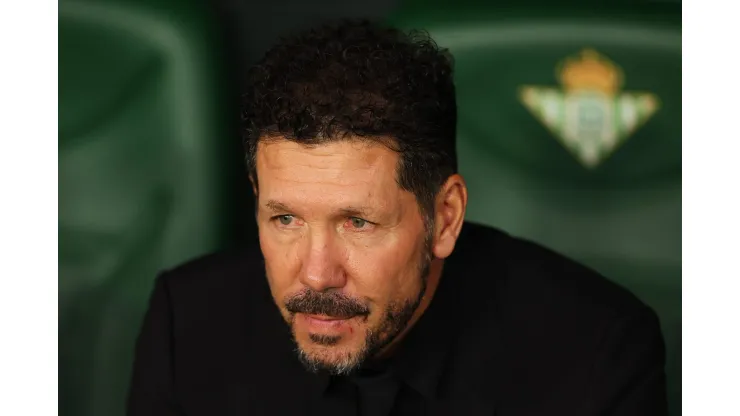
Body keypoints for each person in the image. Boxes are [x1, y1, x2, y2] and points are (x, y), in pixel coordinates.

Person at [126, 19, 668, 416]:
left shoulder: (601, 354)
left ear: (446, 216)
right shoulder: (187, 324)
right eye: (285, 219)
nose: (316, 274)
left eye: (357, 223)